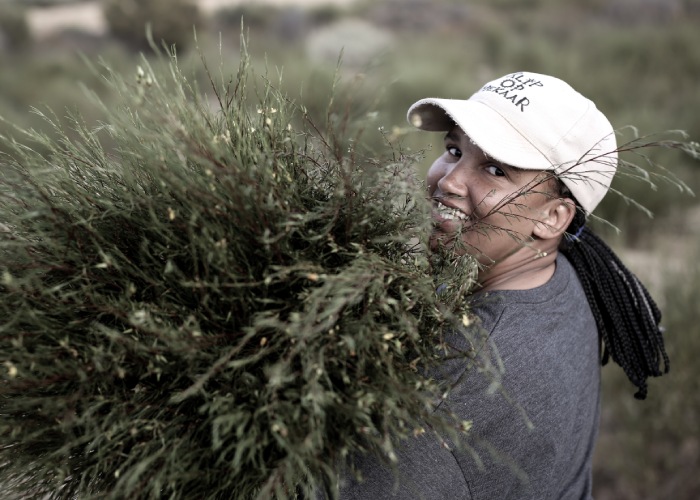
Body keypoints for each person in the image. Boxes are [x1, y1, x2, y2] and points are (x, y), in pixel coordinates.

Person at [329, 72, 669, 499]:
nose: (449, 180)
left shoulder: (445, 393)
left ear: (553, 218)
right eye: (454, 150)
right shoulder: (558, 275)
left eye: (495, 169)